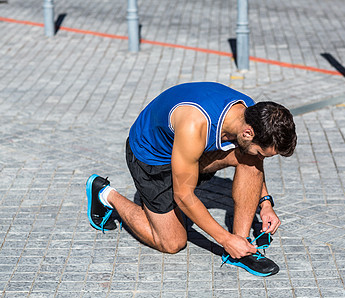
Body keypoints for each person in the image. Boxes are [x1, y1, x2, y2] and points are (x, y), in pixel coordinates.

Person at [86, 82, 297, 277]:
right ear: (247, 133)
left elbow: (254, 159)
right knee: (172, 242)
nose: (261, 158)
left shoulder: (250, 113)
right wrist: (224, 239)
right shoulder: (194, 125)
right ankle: (105, 194)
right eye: (262, 152)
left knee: (248, 159)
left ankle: (241, 249)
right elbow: (183, 195)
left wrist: (265, 203)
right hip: (151, 157)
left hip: (187, 152)